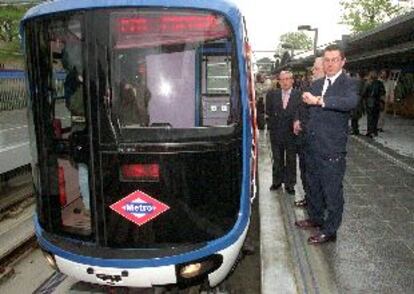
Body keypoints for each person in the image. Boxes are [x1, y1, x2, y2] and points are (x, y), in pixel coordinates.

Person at [295, 45, 358, 245]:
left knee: (332, 192)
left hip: (331, 149)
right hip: (312, 146)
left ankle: (330, 231)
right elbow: (311, 113)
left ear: (342, 62)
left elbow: (350, 102)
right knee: (313, 187)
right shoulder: (317, 83)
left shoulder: (349, 83)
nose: (329, 64)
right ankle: (315, 218)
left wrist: (320, 100)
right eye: (326, 60)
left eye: (334, 59)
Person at [293, 57, 325, 208]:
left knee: (317, 176)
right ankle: (309, 198)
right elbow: (300, 107)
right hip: (304, 138)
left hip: (317, 141)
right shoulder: (310, 86)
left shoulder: (329, 90)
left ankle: (318, 205)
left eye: (316, 68)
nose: (312, 71)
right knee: (305, 171)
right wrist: (297, 120)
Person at [265, 71, 301, 195]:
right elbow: (268, 111)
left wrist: (296, 121)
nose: (285, 82)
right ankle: (277, 181)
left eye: (288, 79)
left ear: (292, 80)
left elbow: (300, 111)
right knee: (277, 158)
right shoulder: (272, 94)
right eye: (282, 79)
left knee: (291, 159)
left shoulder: (299, 94)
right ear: (279, 82)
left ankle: (290, 184)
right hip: (276, 132)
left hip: (292, 133)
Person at [364, 70, 385, 138]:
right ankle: (374, 131)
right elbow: (383, 92)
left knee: (370, 117)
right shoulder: (380, 83)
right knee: (376, 117)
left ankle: (369, 131)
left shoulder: (368, 83)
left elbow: (364, 93)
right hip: (377, 102)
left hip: (369, 101)